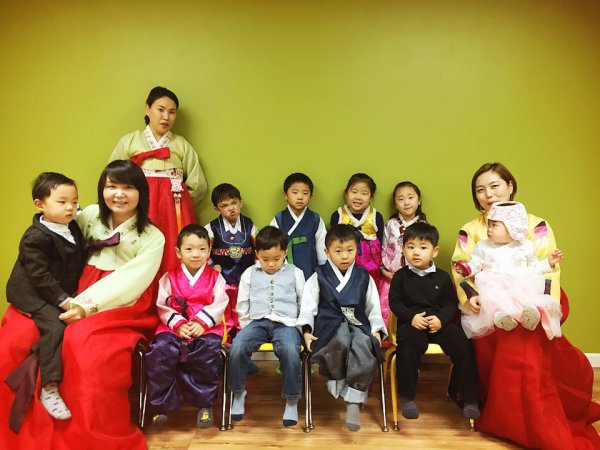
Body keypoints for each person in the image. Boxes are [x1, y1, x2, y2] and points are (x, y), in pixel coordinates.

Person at [0, 160, 164, 450]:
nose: (119, 194)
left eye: (128, 187)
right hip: (72, 289)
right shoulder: (87, 215)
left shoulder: (153, 236)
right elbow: (46, 239)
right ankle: (23, 431)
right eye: (112, 186)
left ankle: (82, 436)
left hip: (120, 303)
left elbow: (131, 281)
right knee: (16, 337)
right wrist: (35, 297)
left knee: (82, 344)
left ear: (142, 191)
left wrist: (86, 305)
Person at [451, 162, 600, 449]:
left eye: (494, 186)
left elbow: (547, 269)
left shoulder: (536, 225)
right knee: (505, 337)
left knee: (526, 342)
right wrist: (470, 296)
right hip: (489, 300)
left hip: (532, 295)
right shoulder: (470, 230)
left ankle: (534, 416)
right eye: (480, 189)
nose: (488, 194)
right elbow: (461, 267)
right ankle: (509, 415)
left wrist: (543, 304)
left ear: (510, 186)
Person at [5, 173, 85, 428]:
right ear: (40, 204)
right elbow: (39, 277)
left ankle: (41, 355)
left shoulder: (71, 225)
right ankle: (49, 388)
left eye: (74, 201)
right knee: (55, 326)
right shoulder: (35, 237)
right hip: (31, 291)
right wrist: (64, 301)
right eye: (62, 202)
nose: (70, 207)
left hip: (54, 287)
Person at [297, 224, 386, 432]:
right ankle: (339, 382)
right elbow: (308, 307)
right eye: (338, 251)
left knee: (365, 344)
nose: (344, 256)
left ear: (357, 250)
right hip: (328, 325)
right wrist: (307, 331)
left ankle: (353, 400)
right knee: (340, 339)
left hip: (358, 323)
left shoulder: (363, 276)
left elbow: (373, 307)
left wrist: (376, 330)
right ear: (327, 251)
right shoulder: (318, 275)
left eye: (349, 250)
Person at [110, 86, 207, 274]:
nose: (166, 117)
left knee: (173, 248)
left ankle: (173, 289)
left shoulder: (181, 144)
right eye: (160, 110)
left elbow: (197, 184)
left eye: (172, 112)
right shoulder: (129, 141)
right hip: (138, 207)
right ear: (147, 109)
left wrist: (181, 203)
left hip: (173, 210)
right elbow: (113, 178)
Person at [388, 222, 480, 421]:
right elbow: (395, 303)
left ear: (434, 251)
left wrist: (441, 319)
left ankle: (469, 398)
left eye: (423, 247)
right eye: (410, 247)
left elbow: (450, 303)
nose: (416, 252)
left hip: (438, 323)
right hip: (412, 323)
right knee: (407, 347)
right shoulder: (400, 276)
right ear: (403, 249)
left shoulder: (443, 277)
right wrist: (410, 317)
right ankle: (407, 398)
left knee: (463, 345)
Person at [145, 224, 228, 429]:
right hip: (173, 327)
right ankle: (162, 406)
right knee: (161, 350)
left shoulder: (216, 278)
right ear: (178, 252)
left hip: (205, 328)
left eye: (202, 249)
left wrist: (201, 323)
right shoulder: (169, 277)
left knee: (207, 353)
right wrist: (178, 324)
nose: (196, 254)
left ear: (209, 251)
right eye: (189, 249)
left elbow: (220, 303)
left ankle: (205, 405)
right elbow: (161, 305)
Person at [227, 226, 305, 427]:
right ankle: (238, 393)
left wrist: (299, 327)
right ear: (257, 254)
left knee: (290, 350)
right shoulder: (249, 273)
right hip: (257, 322)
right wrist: (246, 326)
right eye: (265, 259)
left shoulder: (296, 273)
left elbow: (303, 303)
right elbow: (242, 303)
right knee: (236, 347)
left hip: (286, 323)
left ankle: (291, 399)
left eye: (276, 259)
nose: (271, 264)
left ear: (285, 253)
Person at [454, 201, 563, 340]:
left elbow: (534, 268)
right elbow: (475, 263)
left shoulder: (525, 246)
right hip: (494, 283)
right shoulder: (483, 246)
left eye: (495, 225)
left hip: (520, 283)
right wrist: (466, 269)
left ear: (512, 228)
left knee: (531, 294)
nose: (489, 229)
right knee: (491, 296)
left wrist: (549, 262)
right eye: (489, 224)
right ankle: (500, 315)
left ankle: (532, 312)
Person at [204, 183, 257, 336]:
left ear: (241, 202)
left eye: (234, 203)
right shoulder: (211, 228)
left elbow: (260, 249)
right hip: (223, 279)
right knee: (224, 309)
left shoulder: (250, 226)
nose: (231, 208)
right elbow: (203, 251)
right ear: (217, 209)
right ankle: (225, 339)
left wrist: (257, 269)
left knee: (244, 307)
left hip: (246, 278)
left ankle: (244, 336)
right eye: (224, 205)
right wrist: (212, 267)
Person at [379, 181, 428, 327]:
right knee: (386, 310)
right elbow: (382, 249)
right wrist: (383, 271)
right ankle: (387, 337)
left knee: (412, 309)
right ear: (395, 204)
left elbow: (427, 253)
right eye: (401, 199)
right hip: (391, 277)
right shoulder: (390, 224)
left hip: (415, 278)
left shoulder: (424, 226)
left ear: (419, 200)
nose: (406, 202)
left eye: (410, 198)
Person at [270, 172, 327, 280]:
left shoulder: (315, 219)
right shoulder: (278, 219)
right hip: (283, 271)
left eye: (305, 193)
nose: (300, 197)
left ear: (311, 196)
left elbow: (321, 247)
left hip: (310, 268)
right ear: (285, 195)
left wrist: (323, 272)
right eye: (295, 192)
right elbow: (271, 246)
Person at [330, 174, 384, 286]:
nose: (358, 197)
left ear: (371, 197)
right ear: (346, 194)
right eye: (354, 192)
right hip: (344, 263)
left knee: (369, 290)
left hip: (371, 267)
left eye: (364, 193)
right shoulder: (338, 215)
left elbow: (381, 243)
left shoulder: (376, 216)